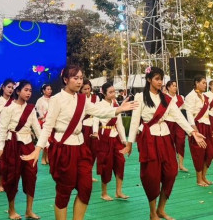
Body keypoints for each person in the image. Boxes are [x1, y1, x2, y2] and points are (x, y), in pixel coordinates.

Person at [21, 65, 137, 220]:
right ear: (65, 79)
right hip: (63, 148)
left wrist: (118, 109)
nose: (79, 81)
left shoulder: (82, 100)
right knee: (64, 191)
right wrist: (38, 149)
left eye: (81, 78)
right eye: (75, 78)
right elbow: (48, 126)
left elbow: (99, 111)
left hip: (81, 147)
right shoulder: (56, 99)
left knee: (85, 188)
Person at [126, 67, 206, 220]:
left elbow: (178, 116)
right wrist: (129, 143)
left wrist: (192, 132)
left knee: (171, 173)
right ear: (149, 79)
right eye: (156, 79)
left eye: (161, 79)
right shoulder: (140, 96)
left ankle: (161, 209)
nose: (159, 82)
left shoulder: (167, 99)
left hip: (165, 137)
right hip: (149, 138)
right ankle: (152, 213)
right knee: (151, 176)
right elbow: (135, 120)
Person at [0, 81, 42, 220]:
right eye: (26, 90)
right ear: (18, 91)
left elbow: (37, 128)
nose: (28, 93)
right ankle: (11, 210)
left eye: (30, 90)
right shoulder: (8, 108)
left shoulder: (31, 109)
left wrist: (45, 145)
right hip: (12, 145)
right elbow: (2, 129)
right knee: (12, 177)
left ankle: (29, 210)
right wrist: (0, 148)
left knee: (31, 176)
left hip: (28, 145)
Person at [96, 82, 129, 201]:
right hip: (104, 136)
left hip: (115, 137)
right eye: (110, 92)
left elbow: (119, 123)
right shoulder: (99, 105)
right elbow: (95, 120)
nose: (113, 94)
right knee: (106, 164)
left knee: (120, 162)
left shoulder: (116, 104)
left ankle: (118, 191)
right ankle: (104, 193)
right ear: (104, 93)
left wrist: (124, 140)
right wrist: (95, 132)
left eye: (114, 91)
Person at [184, 75, 213, 186]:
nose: (205, 85)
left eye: (205, 83)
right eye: (203, 83)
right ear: (197, 83)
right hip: (197, 126)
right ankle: (199, 179)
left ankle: (204, 176)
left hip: (207, 126)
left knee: (210, 152)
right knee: (198, 153)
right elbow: (189, 114)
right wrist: (195, 130)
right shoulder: (190, 96)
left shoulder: (205, 96)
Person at [164, 79, 189, 172]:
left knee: (181, 142)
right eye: (173, 86)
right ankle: (171, 164)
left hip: (179, 123)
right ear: (168, 87)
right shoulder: (164, 97)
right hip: (168, 122)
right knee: (169, 144)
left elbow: (187, 107)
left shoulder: (180, 98)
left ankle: (181, 164)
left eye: (175, 86)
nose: (175, 87)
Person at [80, 79, 100, 180]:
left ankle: (89, 173)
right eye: (85, 89)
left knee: (94, 151)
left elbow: (97, 114)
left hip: (93, 127)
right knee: (84, 152)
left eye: (88, 88)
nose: (87, 91)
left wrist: (96, 131)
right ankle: (83, 174)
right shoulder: (79, 99)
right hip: (83, 128)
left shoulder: (96, 98)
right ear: (81, 90)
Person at [36, 83, 53, 165]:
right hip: (43, 122)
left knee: (50, 141)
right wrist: (44, 118)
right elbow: (39, 113)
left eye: (50, 89)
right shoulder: (40, 100)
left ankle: (47, 157)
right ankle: (43, 157)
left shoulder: (53, 99)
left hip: (51, 122)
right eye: (48, 89)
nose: (50, 91)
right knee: (45, 140)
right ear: (43, 91)